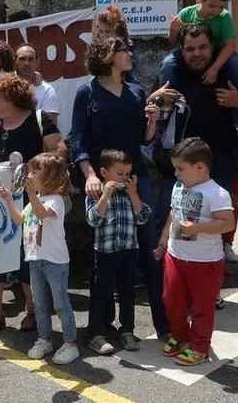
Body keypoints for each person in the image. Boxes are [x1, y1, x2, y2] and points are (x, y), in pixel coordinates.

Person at [70, 37, 166, 338]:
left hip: (136, 180)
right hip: (102, 180)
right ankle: (101, 327)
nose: (131, 56)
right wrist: (89, 175)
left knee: (149, 249)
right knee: (106, 255)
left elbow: (144, 140)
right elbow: (78, 140)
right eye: (126, 51)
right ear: (109, 56)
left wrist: (152, 125)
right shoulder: (87, 92)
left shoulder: (136, 91)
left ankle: (162, 325)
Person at [0, 74, 64, 334]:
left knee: (26, 256)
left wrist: (38, 177)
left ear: (11, 98)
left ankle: (31, 311)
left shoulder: (38, 119)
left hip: (27, 201)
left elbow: (59, 151)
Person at [149, 23, 238, 262]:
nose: (196, 54)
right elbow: (149, 107)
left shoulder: (228, 71)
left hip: (220, 162)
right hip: (180, 164)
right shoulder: (172, 74)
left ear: (213, 47)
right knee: (175, 225)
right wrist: (155, 99)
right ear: (181, 51)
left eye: (203, 47)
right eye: (190, 49)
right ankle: (176, 280)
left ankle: (211, 287)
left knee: (214, 226)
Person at [157, 138, 235, 367]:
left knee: (202, 307)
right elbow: (174, 212)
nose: (176, 173)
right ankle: (180, 335)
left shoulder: (216, 193)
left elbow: (228, 223)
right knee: (171, 300)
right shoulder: (179, 186)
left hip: (205, 261)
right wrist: (164, 236)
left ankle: (200, 347)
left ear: (200, 167)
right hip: (175, 254)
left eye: (180, 168)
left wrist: (199, 228)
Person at [0, 153, 78, 365]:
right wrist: (8, 199)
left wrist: (31, 193)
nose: (30, 175)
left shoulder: (57, 200)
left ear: (51, 176)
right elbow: (19, 220)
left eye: (35, 172)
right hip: (35, 259)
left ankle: (70, 342)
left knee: (61, 303)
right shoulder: (36, 199)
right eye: (30, 171)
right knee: (39, 303)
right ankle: (45, 339)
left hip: (55, 261)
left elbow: (43, 214)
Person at [84, 150, 151, 355]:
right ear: (104, 172)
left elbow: (143, 217)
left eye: (127, 174)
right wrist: (106, 194)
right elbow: (93, 219)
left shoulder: (130, 194)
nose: (124, 178)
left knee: (127, 292)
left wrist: (133, 192)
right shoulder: (96, 193)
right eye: (120, 174)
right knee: (100, 293)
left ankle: (127, 329)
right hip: (105, 252)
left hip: (129, 250)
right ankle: (96, 333)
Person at [165, 0, 238, 130]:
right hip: (190, 51)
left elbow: (230, 45)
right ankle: (166, 107)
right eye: (212, 5)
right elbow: (173, 41)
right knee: (167, 64)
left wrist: (215, 68)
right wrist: (173, 30)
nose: (215, 11)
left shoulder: (225, 17)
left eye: (221, 7)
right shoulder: (186, 13)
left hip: (218, 52)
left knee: (236, 64)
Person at [14, 44, 59, 125]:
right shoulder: (6, 88)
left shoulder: (47, 90)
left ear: (37, 62)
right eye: (22, 59)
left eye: (30, 59)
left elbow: (50, 126)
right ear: (15, 61)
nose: (26, 63)